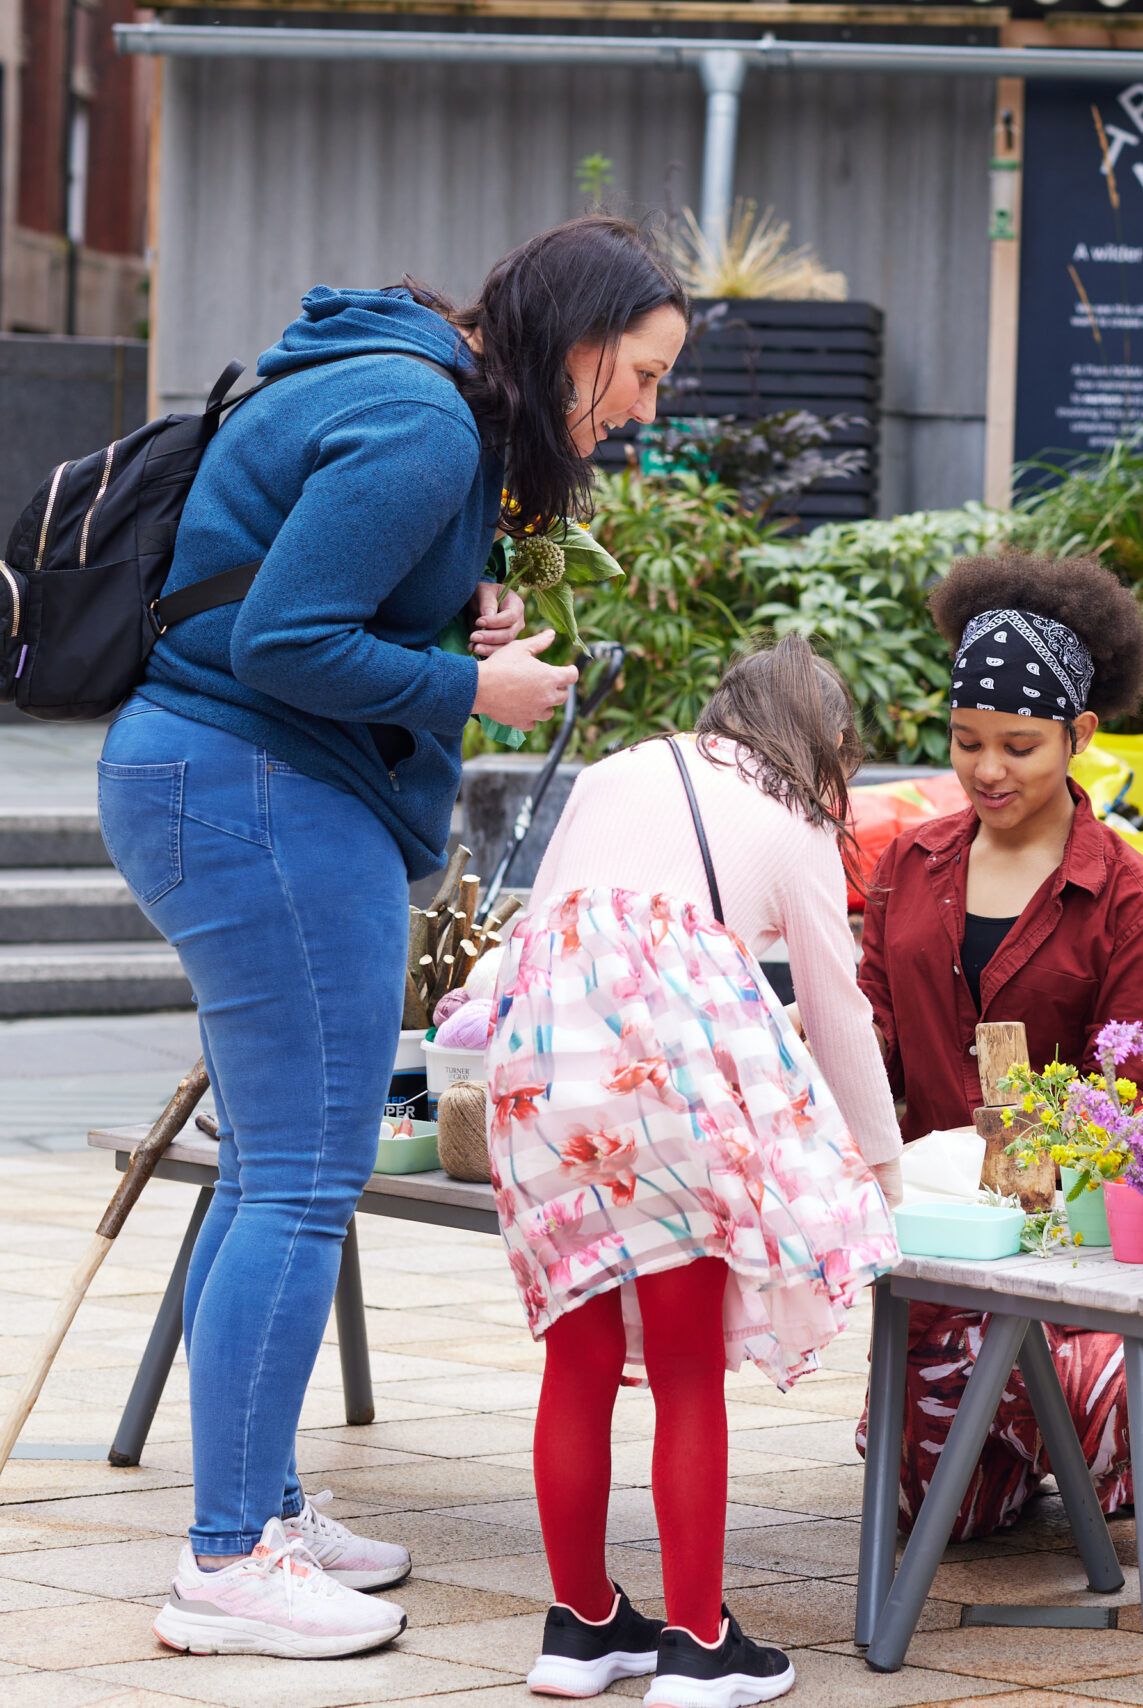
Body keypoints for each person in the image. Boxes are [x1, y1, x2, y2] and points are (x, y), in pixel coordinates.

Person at [105, 217, 677, 1661]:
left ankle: (265, 1505)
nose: (647, 410)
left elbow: (296, 606)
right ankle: (229, 1562)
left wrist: (447, 640)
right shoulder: (427, 421)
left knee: (274, 1175)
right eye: (645, 374)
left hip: (225, 784)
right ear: (579, 341)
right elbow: (283, 643)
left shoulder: (414, 382)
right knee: (304, 1180)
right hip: (257, 794)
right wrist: (471, 694)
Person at [487, 638, 903, 1705]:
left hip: (537, 1056)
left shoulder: (621, 768)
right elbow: (838, 1007)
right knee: (680, 1369)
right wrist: (882, 1167)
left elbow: (551, 918)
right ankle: (699, 1645)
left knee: (574, 1359)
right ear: (824, 745)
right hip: (662, 1067)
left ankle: (579, 1630)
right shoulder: (793, 815)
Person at [856, 550, 1143, 1535]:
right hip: (942, 1257)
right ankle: (1029, 1444)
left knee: (1074, 1393)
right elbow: (872, 1031)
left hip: (1073, 1272)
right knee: (930, 1512)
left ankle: (1133, 1435)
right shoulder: (909, 864)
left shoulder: (1132, 903)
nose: (984, 770)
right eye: (965, 740)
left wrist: (1055, 1161)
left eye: (1018, 745)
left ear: (1081, 734)